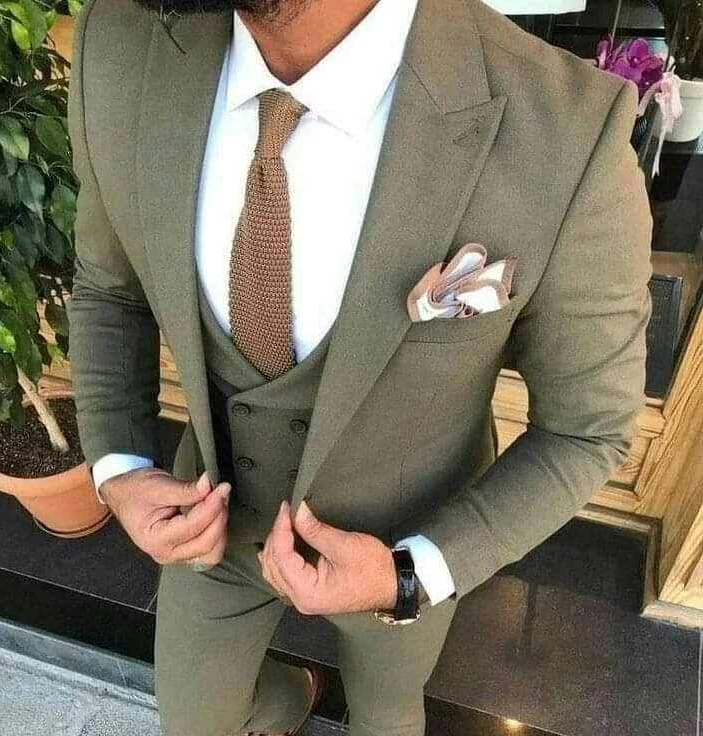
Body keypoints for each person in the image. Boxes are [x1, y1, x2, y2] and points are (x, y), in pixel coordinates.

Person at [66, 0, 653, 734]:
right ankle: (293, 695)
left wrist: (413, 574)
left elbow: (585, 430)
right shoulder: (117, 43)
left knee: (388, 716)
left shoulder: (567, 128)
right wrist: (118, 466)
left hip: (404, 536)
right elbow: (109, 288)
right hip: (209, 515)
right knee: (193, 722)